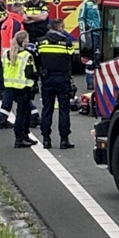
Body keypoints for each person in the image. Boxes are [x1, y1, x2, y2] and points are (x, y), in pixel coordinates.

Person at [0, 2, 40, 129]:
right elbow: (15, 40)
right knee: (20, 90)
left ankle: (3, 117)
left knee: (11, 91)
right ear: (20, 11)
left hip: (7, 55)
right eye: (23, 11)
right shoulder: (16, 23)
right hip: (14, 56)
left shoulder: (9, 21)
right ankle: (33, 116)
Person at [37, 19, 76, 150]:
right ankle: (64, 140)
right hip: (62, 78)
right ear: (60, 28)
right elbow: (71, 57)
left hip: (47, 78)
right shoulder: (66, 42)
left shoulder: (41, 42)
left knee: (47, 109)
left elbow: (38, 59)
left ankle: (46, 139)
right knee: (64, 110)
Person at [4, 30, 37, 148]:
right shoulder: (27, 55)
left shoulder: (7, 53)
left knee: (25, 112)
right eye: (27, 40)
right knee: (22, 114)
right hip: (23, 87)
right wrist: (38, 75)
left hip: (9, 86)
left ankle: (25, 135)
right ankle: (19, 138)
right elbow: (29, 73)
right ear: (24, 42)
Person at [78, 0, 102, 92]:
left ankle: (101, 82)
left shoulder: (102, 2)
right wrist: (83, 33)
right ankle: (90, 82)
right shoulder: (86, 4)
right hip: (92, 33)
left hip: (103, 33)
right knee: (90, 59)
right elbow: (81, 19)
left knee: (101, 58)